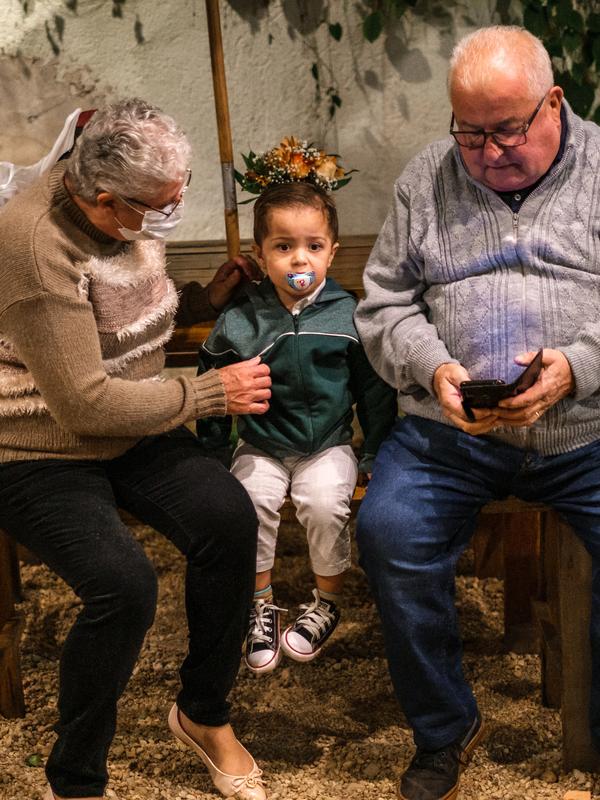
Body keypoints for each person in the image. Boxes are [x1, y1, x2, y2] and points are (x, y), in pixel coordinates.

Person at [353, 26, 600, 800]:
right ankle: (445, 728)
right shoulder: (426, 180)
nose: (487, 151)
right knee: (388, 534)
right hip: (453, 433)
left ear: (554, 104)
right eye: (469, 132)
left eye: (506, 130)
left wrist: (580, 367)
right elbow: (382, 308)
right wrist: (432, 368)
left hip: (597, 430)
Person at [0, 98, 273, 800]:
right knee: (123, 586)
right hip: (22, 442)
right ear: (101, 200)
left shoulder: (125, 209)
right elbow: (84, 403)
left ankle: (203, 713)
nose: (172, 211)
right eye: (163, 203)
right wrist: (210, 393)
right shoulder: (32, 246)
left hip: (122, 421)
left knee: (228, 518)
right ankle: (76, 777)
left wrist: (198, 301)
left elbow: (113, 317)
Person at [197, 181, 397, 674]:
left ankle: (326, 602)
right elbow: (211, 386)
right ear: (260, 257)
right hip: (260, 444)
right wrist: (213, 457)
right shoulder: (241, 320)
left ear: (332, 252)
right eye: (283, 247)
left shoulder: (348, 315)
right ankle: (259, 605)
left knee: (326, 504)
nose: (299, 260)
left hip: (328, 444)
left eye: (312, 246)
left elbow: (375, 392)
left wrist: (374, 450)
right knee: (250, 504)